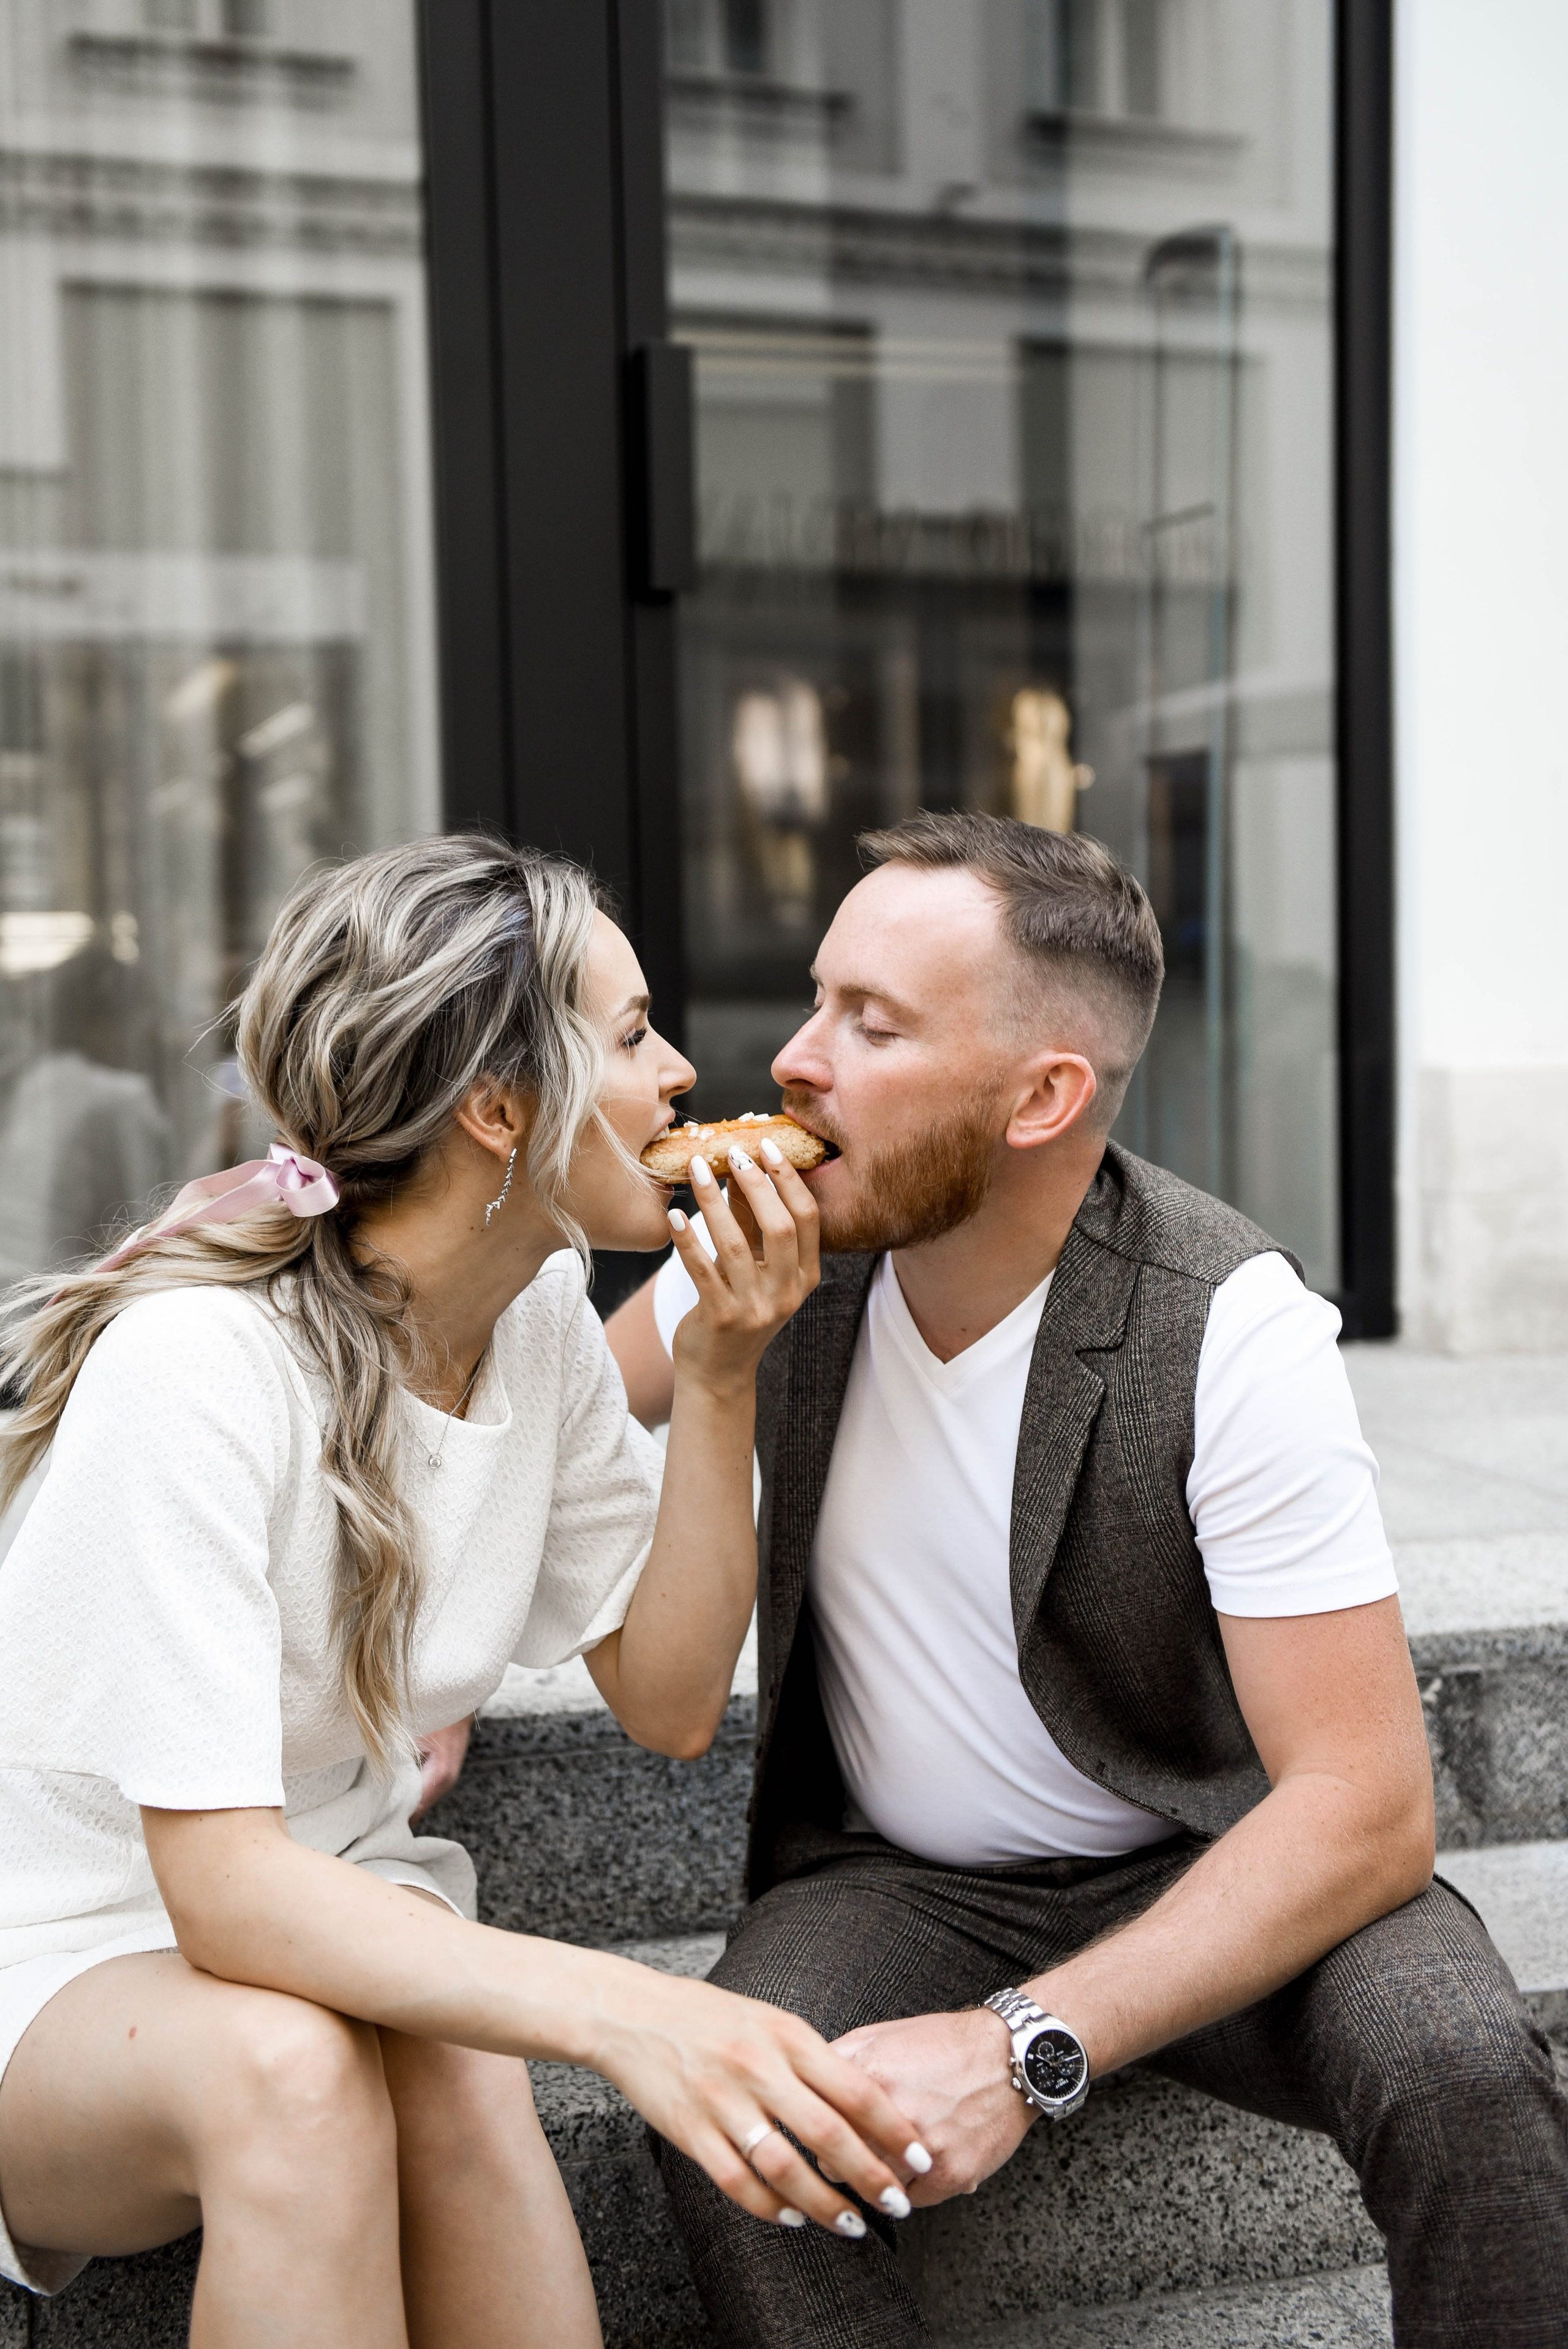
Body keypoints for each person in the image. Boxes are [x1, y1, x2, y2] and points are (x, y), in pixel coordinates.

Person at [605, 812, 1568, 2347]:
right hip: (896, 1879)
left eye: (873, 1023)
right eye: (815, 997)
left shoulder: (1229, 1325)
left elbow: (1367, 1803)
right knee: (732, 2115)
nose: (792, 1059)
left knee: (1460, 2060)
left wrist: (1020, 2045)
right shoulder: (775, 1246)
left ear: (1042, 1094)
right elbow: (540, 1435)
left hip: (1208, 1852)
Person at [0, 835, 928, 2348]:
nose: (683, 1069)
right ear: (501, 1110)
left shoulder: (541, 1315)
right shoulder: (197, 1369)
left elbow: (674, 1698)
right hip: (59, 1954)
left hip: (325, 1905)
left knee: (441, 2040)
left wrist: (714, 1374)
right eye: (630, 1037)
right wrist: (636, 2012)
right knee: (293, 2070)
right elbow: (222, 1888)